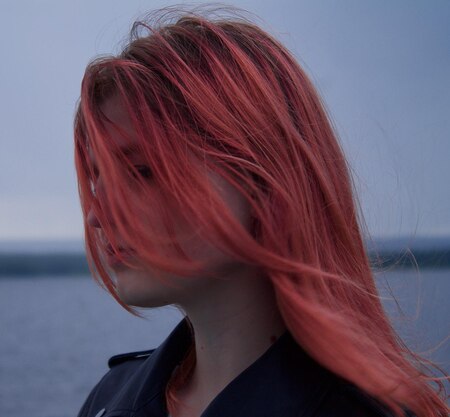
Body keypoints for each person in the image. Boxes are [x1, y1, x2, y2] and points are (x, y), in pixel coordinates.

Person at [73, 6, 449, 417]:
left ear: (263, 177)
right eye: (97, 179)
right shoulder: (109, 401)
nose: (98, 215)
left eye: (142, 171)